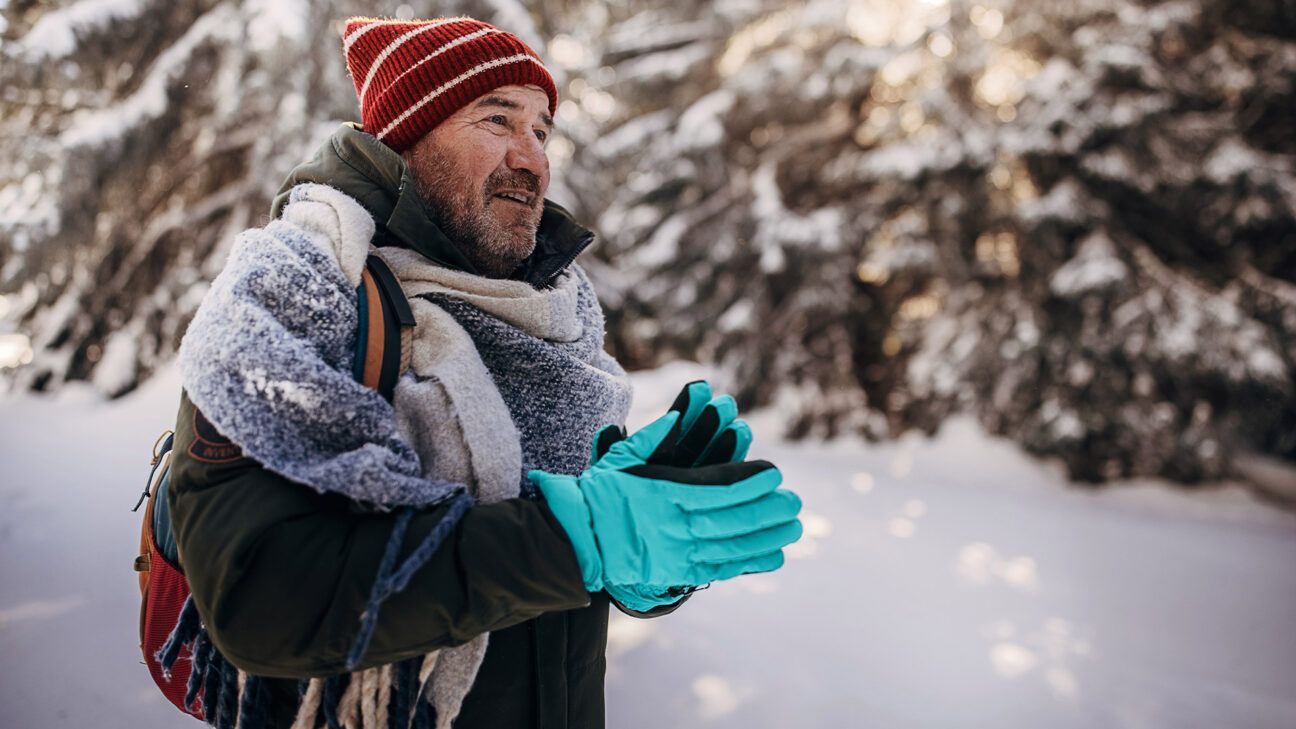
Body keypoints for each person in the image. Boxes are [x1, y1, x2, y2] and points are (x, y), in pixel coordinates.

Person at [165, 15, 803, 729]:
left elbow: (552, 582)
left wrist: (637, 563)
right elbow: (263, 597)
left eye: (541, 130)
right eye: (497, 119)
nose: (532, 159)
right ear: (407, 136)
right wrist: (577, 534)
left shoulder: (554, 318)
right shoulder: (294, 294)